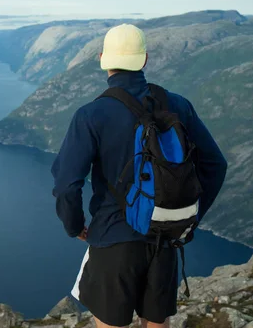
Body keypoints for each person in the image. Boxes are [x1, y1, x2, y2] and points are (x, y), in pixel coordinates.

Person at [51, 24, 228, 328]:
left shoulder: (92, 115)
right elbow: (215, 165)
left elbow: (67, 185)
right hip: (165, 238)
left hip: (113, 241)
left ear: (102, 59)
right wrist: (188, 217)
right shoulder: (178, 105)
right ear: (144, 60)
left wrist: (76, 226)